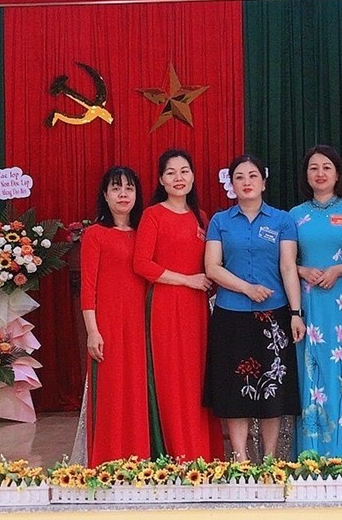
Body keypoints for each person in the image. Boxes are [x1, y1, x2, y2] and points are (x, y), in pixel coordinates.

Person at [204, 154, 306, 459]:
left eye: (252, 176)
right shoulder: (220, 221)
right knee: (235, 388)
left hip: (273, 315)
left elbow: (288, 267)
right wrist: (247, 288)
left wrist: (296, 313)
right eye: (239, 177)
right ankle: (241, 458)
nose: (246, 182)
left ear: (263, 182)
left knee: (273, 388)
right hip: (231, 315)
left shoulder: (282, 220)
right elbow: (212, 267)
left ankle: (270, 457)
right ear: (231, 184)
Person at [133, 149, 224, 460]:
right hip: (165, 305)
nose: (178, 178)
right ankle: (175, 450)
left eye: (184, 171)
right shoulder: (153, 215)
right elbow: (142, 264)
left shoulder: (202, 217)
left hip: (197, 309)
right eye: (170, 173)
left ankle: (202, 449)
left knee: (197, 379)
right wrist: (187, 280)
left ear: (193, 176)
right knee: (172, 378)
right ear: (161, 180)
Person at [288, 145, 342, 456]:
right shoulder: (294, 215)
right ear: (306, 175)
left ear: (337, 174)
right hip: (307, 302)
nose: (320, 174)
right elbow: (283, 263)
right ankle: (311, 451)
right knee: (311, 369)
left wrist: (338, 270)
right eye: (314, 168)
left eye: (326, 168)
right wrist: (302, 270)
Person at [79, 166, 150, 466]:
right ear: (105, 195)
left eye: (129, 188)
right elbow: (88, 287)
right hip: (107, 325)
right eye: (116, 188)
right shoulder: (95, 235)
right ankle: (107, 461)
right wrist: (92, 331)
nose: (123, 194)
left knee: (139, 392)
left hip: (142, 325)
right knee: (110, 393)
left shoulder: (145, 233)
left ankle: (142, 460)